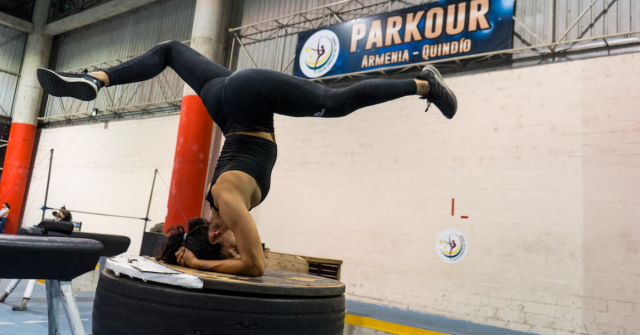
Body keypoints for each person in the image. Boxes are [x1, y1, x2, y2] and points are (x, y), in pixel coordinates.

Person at [37, 40, 457, 276]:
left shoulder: (230, 203)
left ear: (217, 236)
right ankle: (96, 79)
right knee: (169, 50)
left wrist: (200, 262)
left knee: (336, 102)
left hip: (249, 97)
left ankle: (425, 84)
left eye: (227, 246)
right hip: (224, 104)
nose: (242, 242)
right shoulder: (219, 198)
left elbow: (254, 266)